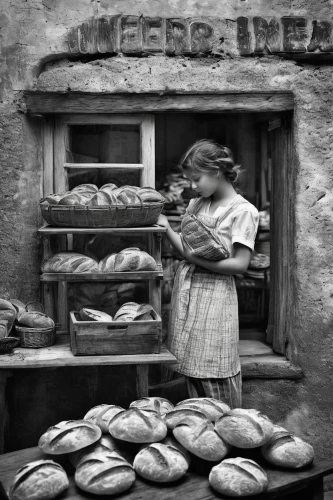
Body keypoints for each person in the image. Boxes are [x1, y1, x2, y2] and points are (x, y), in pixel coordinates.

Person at [157, 139, 259, 408]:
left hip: (217, 295)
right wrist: (167, 228)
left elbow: (240, 265)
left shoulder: (243, 211)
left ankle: (223, 424)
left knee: (213, 361)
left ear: (216, 171)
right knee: (187, 359)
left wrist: (193, 258)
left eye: (196, 178)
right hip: (187, 291)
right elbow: (187, 251)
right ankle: (190, 420)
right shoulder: (197, 205)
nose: (193, 186)